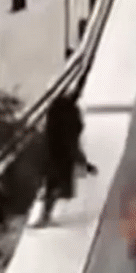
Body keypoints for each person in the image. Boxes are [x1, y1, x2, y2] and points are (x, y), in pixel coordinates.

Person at [37, 94, 96, 227]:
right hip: (62, 159)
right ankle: (45, 214)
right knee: (57, 187)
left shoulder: (55, 115)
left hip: (53, 156)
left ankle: (45, 214)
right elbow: (73, 145)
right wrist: (85, 164)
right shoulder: (69, 117)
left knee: (53, 186)